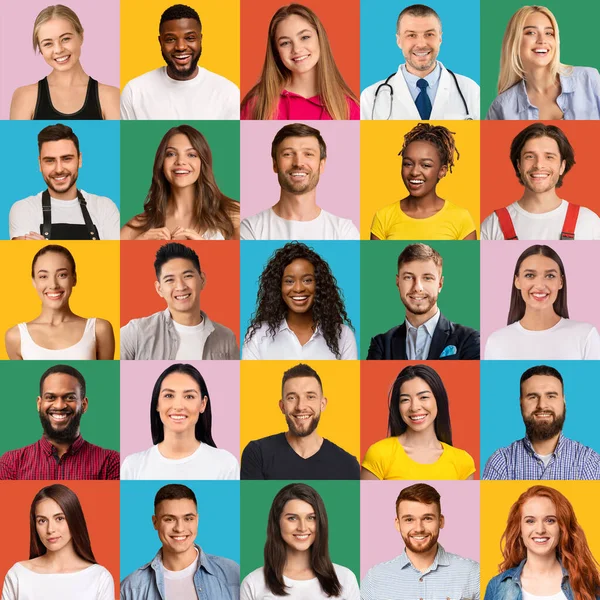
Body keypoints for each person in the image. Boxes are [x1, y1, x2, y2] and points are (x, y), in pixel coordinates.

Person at [240, 123, 359, 240]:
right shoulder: (251, 228)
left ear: (321, 165)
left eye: (308, 154)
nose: (298, 163)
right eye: (288, 154)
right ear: (275, 164)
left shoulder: (344, 231)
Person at [120, 242, 239, 360]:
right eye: (170, 280)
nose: (181, 287)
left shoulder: (226, 338)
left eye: (187, 276)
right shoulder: (135, 333)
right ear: (159, 289)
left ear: (202, 280)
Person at [120, 484, 240, 600]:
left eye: (188, 518)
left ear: (197, 520)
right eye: (169, 519)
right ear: (155, 522)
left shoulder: (232, 573)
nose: (179, 528)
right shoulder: (131, 588)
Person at [481, 123, 600, 240]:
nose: (538, 165)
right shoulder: (493, 225)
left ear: (562, 166)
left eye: (549, 157)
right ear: (518, 165)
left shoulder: (589, 223)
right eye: (530, 156)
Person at [241, 363, 360, 480]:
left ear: (322, 404)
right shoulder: (257, 454)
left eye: (310, 397)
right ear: (282, 406)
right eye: (292, 398)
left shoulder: (347, 465)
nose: (300, 406)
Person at [361, 4, 480, 120]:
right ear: (398, 40)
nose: (422, 44)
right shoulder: (371, 97)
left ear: (440, 38)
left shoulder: (470, 91)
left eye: (429, 34)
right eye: (411, 35)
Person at [361, 483, 480, 599]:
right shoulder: (374, 579)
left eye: (427, 518)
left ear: (441, 521)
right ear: (398, 524)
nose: (419, 528)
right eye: (409, 519)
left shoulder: (472, 574)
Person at [121, 125, 239, 241]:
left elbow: (249, 259)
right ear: (161, 162)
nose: (180, 161)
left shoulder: (232, 214)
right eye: (171, 154)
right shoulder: (140, 224)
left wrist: (206, 250)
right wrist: (136, 246)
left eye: (191, 155)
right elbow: (107, 259)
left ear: (202, 162)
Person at [240, 4, 359, 120]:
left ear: (320, 38)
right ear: (276, 51)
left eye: (305, 37)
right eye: (285, 43)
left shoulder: (349, 108)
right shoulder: (257, 104)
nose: (296, 49)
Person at [121, 363, 239, 479]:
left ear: (203, 404)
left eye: (189, 396)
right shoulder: (133, 466)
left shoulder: (226, 465)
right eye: (168, 395)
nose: (178, 406)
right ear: (157, 403)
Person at [0, 364, 119, 480]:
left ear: (84, 405)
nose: (59, 405)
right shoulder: (12, 463)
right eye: (50, 397)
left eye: (70, 397)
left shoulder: (109, 462)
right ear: (39, 404)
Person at [241, 483, 359, 599]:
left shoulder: (345, 578)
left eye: (311, 518)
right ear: (277, 522)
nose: (302, 528)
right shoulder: (253, 583)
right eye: (292, 518)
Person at [120, 4, 239, 120]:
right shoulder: (134, 92)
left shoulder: (227, 93)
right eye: (170, 39)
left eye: (190, 38)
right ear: (160, 42)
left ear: (200, 39)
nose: (180, 47)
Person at [242, 242, 357, 360]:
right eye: (289, 281)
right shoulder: (258, 335)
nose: (298, 289)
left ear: (319, 285)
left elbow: (348, 379)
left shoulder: (344, 335)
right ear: (278, 287)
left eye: (307, 280)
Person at [483, 365, 600, 480]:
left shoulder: (589, 462)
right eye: (533, 397)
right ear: (521, 402)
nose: (542, 405)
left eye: (551, 396)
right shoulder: (501, 462)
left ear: (563, 401)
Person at [484, 244, 600, 360]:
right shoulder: (497, 342)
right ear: (517, 281)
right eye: (530, 275)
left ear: (561, 282)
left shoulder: (585, 336)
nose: (540, 285)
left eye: (550, 276)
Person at [484, 485, 600, 599]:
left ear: (562, 528)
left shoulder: (587, 583)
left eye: (550, 520)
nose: (540, 530)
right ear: (519, 529)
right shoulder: (497, 586)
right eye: (530, 521)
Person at [367, 243, 480, 360]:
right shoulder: (381, 345)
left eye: (427, 278)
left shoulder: (469, 339)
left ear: (440, 284)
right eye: (408, 277)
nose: (417, 287)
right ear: (398, 282)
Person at [362, 365, 475, 480]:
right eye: (405, 399)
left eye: (423, 397)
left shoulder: (463, 461)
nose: (414, 407)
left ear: (438, 400)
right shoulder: (379, 454)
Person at [1, 484, 114, 599]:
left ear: (74, 519)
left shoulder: (99, 578)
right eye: (42, 521)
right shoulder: (18, 575)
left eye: (59, 518)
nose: (50, 529)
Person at [487, 5, 600, 120]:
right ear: (514, 43)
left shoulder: (589, 80)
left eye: (549, 33)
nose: (542, 40)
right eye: (531, 32)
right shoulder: (501, 108)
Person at [9, 124, 120, 240]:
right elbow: (25, 257)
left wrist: (44, 248)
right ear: (40, 164)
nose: (59, 169)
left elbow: (116, 257)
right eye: (50, 160)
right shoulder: (24, 208)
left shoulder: (104, 207)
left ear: (79, 160)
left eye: (66, 159)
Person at [5, 245, 115, 360]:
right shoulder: (16, 336)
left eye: (62, 275)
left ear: (74, 278)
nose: (53, 285)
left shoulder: (99, 329)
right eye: (43, 276)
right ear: (34, 282)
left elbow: (105, 377)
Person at [9, 5, 119, 120]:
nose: (58, 50)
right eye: (48, 44)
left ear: (81, 36)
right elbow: (17, 138)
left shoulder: (111, 96)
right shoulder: (24, 97)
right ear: (41, 50)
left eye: (65, 39)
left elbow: (121, 139)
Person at [370, 123, 477, 240]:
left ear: (442, 171)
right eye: (408, 164)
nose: (414, 172)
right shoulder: (383, 217)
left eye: (425, 165)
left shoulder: (461, 219)